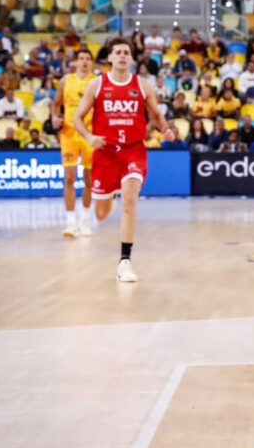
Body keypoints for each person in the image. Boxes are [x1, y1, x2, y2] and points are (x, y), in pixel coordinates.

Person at [72, 38, 177, 283]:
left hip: (133, 150)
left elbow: (155, 114)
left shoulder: (143, 85)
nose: (121, 55)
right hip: (105, 153)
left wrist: (165, 129)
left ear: (131, 58)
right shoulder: (97, 85)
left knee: (130, 201)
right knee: (101, 213)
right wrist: (88, 136)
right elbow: (77, 118)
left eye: (126, 52)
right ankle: (111, 193)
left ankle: (125, 261)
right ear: (109, 58)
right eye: (117, 52)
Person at [53, 49, 97, 238]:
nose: (84, 62)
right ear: (76, 62)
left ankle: (85, 220)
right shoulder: (65, 81)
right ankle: (70, 223)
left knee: (89, 180)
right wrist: (55, 117)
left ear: (91, 63)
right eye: (81, 59)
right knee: (69, 178)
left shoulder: (97, 82)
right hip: (69, 133)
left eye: (88, 59)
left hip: (89, 134)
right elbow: (55, 104)